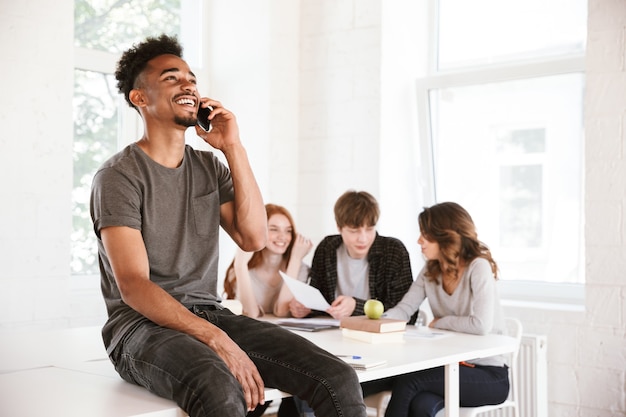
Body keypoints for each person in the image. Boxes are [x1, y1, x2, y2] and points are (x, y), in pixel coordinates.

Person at [90, 34, 366, 417]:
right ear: (140, 98)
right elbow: (134, 286)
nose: (188, 85)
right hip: (140, 329)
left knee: (338, 377)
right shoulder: (118, 177)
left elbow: (253, 238)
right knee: (218, 386)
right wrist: (216, 340)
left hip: (209, 315)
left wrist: (233, 147)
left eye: (191, 79)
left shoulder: (210, 167)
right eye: (172, 78)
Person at [381, 202, 510, 417]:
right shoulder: (431, 269)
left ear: (445, 236)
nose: (419, 241)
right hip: (450, 367)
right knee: (420, 405)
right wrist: (376, 322)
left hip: (488, 374)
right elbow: (405, 309)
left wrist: (440, 321)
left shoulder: (478, 267)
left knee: (408, 381)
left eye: (426, 235)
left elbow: (480, 325)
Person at [290, 190, 416, 323]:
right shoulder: (327, 248)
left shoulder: (393, 251)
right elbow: (320, 301)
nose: (363, 239)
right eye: (353, 231)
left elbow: (406, 312)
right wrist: (306, 307)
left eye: (369, 229)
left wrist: (357, 306)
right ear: (339, 228)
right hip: (334, 333)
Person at [223, 203, 313, 318]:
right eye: (274, 229)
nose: (282, 236)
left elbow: (282, 311)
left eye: (288, 231)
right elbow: (251, 314)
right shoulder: (241, 270)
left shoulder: (300, 270)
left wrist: (295, 259)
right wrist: (240, 265)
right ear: (259, 231)